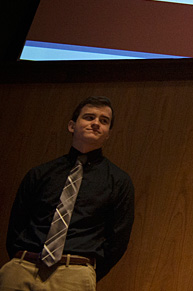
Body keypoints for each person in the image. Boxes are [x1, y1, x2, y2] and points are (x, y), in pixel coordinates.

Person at [2, 96, 134, 290]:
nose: (96, 123)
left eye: (104, 121)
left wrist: (85, 272)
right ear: (72, 126)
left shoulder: (119, 181)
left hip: (74, 273)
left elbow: (118, 241)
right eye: (89, 117)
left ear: (108, 134)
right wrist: (21, 260)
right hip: (23, 268)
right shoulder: (40, 173)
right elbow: (16, 224)